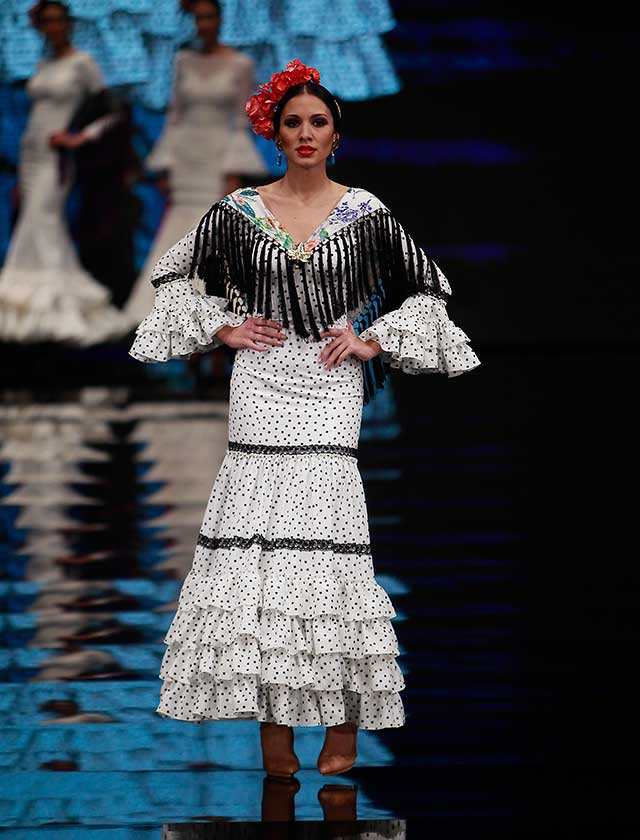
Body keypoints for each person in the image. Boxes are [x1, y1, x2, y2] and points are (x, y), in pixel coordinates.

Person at [129, 59, 481, 778]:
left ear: (336, 134)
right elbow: (170, 276)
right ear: (276, 133)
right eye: (293, 122)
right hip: (261, 383)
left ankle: (343, 724)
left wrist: (374, 339)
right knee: (259, 559)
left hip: (328, 383)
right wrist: (223, 326)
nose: (306, 132)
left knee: (330, 552)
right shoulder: (238, 212)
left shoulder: (366, 212)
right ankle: (277, 732)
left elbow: (429, 289)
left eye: (318, 121)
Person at [121, 0, 267, 330]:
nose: (204, 23)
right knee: (177, 229)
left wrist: (233, 170)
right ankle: (167, 311)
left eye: (209, 16)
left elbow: (239, 122)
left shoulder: (241, 64)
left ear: (221, 18)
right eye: (199, 17)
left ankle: (210, 315)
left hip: (217, 160)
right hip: (186, 157)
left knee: (211, 232)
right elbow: (175, 115)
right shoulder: (183, 61)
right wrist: (167, 164)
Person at [0, 1, 125, 345]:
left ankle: (59, 313)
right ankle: (40, 315)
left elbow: (114, 111)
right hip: (30, 154)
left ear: (69, 24)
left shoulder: (83, 63)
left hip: (57, 158)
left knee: (42, 223)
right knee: (39, 225)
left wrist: (80, 137)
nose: (54, 27)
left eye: (59, 20)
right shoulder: (43, 64)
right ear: (41, 27)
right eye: (47, 21)